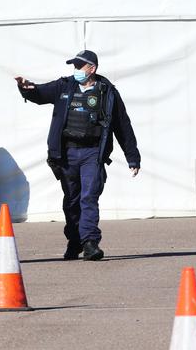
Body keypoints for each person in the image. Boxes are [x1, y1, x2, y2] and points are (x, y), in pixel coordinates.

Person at [15, 50, 140, 261]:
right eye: (74, 66)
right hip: (67, 153)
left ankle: (90, 242)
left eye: (79, 67)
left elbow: (122, 125)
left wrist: (132, 157)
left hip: (92, 153)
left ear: (92, 69)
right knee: (72, 201)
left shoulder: (107, 92)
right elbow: (40, 93)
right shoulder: (64, 86)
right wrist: (26, 88)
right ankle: (74, 240)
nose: (76, 70)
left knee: (89, 197)